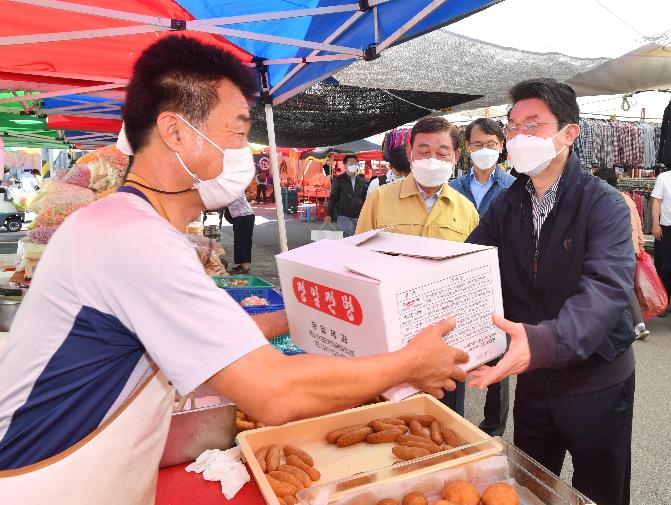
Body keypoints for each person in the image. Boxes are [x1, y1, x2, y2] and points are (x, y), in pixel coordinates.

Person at [0, 36, 469, 501]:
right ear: (176, 131)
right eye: (238, 132)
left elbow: (189, 343)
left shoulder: (130, 227)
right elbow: (273, 393)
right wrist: (409, 364)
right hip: (45, 480)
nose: (245, 152)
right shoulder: (133, 240)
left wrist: (293, 318)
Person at [468, 78, 636, 505]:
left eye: (533, 125)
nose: (518, 136)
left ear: (569, 133)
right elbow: (468, 265)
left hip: (596, 377)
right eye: (512, 126)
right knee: (531, 485)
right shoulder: (508, 204)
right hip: (533, 375)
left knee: (599, 490)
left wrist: (543, 341)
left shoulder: (604, 204)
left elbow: (606, 289)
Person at [356, 116, 480, 416]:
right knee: (384, 420)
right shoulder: (379, 199)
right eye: (423, 150)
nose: (432, 159)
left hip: (444, 342)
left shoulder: (467, 210)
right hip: (388, 337)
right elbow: (354, 261)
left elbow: (473, 275)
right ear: (409, 153)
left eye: (442, 152)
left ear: (455, 157)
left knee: (443, 421)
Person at [449, 118, 515, 437]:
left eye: (491, 144)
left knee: (500, 352)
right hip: (459, 282)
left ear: (501, 148)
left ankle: (494, 428)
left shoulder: (515, 188)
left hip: (501, 282)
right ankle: (454, 420)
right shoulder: (452, 188)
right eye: (477, 144)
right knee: (459, 350)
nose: (484, 150)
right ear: (467, 148)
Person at [595, 167, 649, 340]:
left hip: (614, 250)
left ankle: (635, 324)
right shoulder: (628, 199)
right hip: (631, 250)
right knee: (626, 284)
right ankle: (635, 322)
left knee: (620, 285)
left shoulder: (603, 199)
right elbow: (638, 224)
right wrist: (640, 245)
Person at [324, 154, 367, 237]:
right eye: (350, 162)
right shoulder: (339, 179)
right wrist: (329, 214)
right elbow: (333, 197)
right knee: (349, 235)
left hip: (358, 214)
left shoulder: (361, 180)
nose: (353, 164)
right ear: (345, 165)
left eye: (355, 162)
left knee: (357, 237)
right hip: (344, 215)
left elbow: (364, 198)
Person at [651, 167, 671, 307]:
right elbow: (656, 202)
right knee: (665, 267)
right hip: (666, 228)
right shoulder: (663, 177)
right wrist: (655, 224)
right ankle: (665, 300)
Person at [227, 193, 255, 274]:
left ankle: (245, 267)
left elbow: (222, 203)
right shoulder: (233, 188)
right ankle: (243, 265)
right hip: (243, 215)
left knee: (242, 241)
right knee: (242, 240)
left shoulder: (231, 190)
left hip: (243, 216)